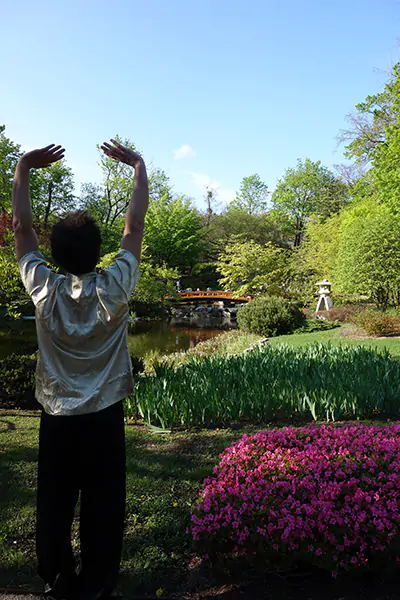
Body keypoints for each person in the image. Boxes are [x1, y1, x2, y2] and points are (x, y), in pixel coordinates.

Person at [12, 139, 149, 600]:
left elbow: (21, 230)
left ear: (57, 253)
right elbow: (134, 227)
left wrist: (24, 169)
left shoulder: (43, 288)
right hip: (104, 415)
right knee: (104, 501)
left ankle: (57, 578)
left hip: (57, 418)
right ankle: (99, 580)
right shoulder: (115, 285)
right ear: (97, 252)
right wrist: (137, 167)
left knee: (54, 501)